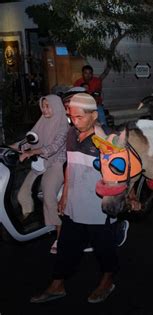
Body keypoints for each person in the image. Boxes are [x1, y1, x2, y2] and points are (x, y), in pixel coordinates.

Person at [30, 93, 127, 304]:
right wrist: (65, 195)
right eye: (72, 117)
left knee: (104, 249)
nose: (75, 121)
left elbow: (120, 175)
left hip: (99, 207)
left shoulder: (109, 139)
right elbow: (70, 166)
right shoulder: (71, 135)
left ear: (94, 115)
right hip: (74, 203)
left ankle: (107, 281)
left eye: (80, 117)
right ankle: (57, 285)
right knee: (66, 245)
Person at [12, 95, 69, 254]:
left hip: (55, 163)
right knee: (23, 192)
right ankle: (29, 216)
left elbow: (54, 147)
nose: (44, 109)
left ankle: (60, 235)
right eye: (43, 106)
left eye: (48, 106)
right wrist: (10, 147)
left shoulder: (63, 125)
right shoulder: (42, 122)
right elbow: (29, 140)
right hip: (40, 162)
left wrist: (31, 153)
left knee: (49, 195)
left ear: (56, 107)